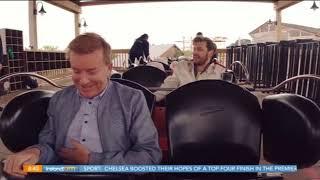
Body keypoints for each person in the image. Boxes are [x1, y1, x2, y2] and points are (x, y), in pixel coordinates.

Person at [3, 33, 161, 178]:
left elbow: (150, 156)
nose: (83, 81)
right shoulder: (59, 99)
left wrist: (91, 159)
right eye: (76, 71)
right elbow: (49, 145)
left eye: (92, 71)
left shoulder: (132, 99)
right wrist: (35, 152)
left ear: (109, 68)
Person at [154, 36, 225, 102]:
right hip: (183, 111)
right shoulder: (181, 66)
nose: (195, 52)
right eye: (194, 49)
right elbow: (167, 87)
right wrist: (151, 99)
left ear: (210, 53)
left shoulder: (220, 71)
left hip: (209, 112)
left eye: (200, 49)